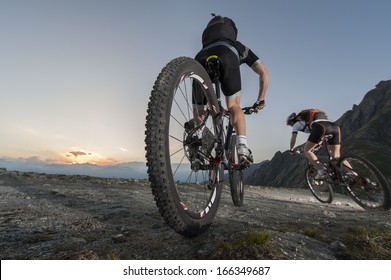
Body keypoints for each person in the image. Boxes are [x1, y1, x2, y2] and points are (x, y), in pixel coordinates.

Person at [193, 14, 269, 165]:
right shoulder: (238, 46)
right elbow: (263, 73)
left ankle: (196, 145)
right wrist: (261, 99)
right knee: (234, 106)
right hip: (227, 53)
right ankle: (242, 147)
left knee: (199, 113)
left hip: (200, 57)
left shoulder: (207, 42)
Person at [286, 109, 342, 179]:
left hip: (320, 127)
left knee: (306, 150)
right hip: (334, 127)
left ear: (292, 121)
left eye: (290, 124)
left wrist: (291, 149)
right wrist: (318, 144)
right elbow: (319, 136)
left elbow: (293, 138)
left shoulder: (296, 125)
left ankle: (322, 172)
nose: (291, 126)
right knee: (336, 156)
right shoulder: (307, 121)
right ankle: (354, 174)